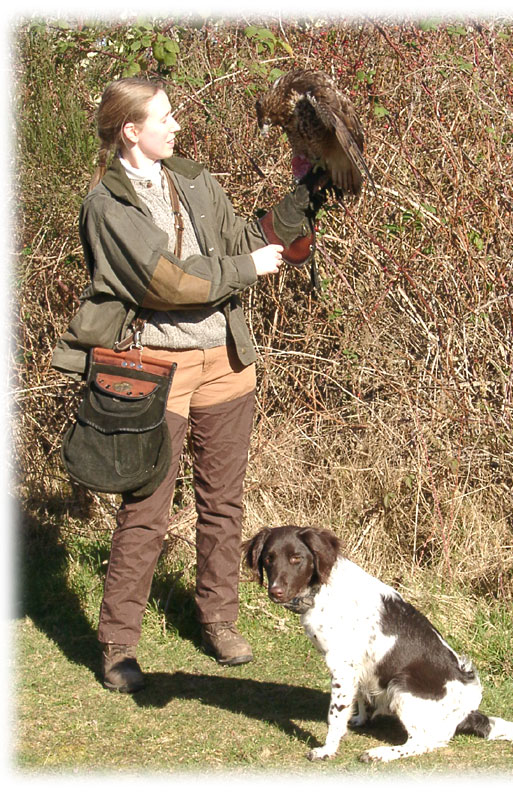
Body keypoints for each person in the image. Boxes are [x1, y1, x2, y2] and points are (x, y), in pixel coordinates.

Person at [52, 77, 318, 692]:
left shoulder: (193, 179)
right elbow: (164, 281)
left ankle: (218, 619)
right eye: (164, 119)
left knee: (223, 502)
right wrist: (244, 269)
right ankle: (119, 642)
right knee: (145, 509)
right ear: (130, 130)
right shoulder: (108, 206)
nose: (177, 128)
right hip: (153, 373)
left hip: (227, 360)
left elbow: (245, 241)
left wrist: (302, 190)